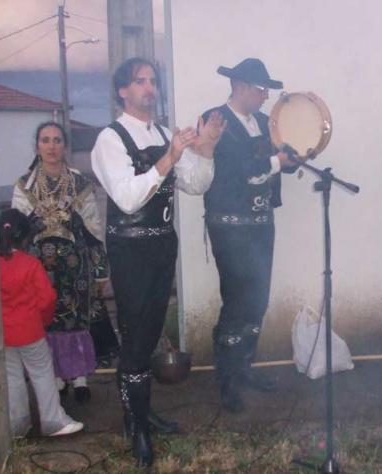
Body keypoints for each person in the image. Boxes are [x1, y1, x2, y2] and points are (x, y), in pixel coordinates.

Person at [91, 57, 226, 467]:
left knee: (148, 336)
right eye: (140, 81)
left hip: (162, 245)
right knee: (135, 339)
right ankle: (138, 429)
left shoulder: (165, 133)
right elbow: (128, 198)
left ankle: (140, 414)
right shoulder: (110, 139)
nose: (150, 87)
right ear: (122, 91)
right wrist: (169, 157)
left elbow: (196, 184)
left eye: (153, 81)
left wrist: (206, 148)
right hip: (130, 251)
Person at [202, 58, 300, 414]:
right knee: (237, 302)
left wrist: (291, 158)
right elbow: (242, 170)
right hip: (229, 226)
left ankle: (244, 367)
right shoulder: (215, 121)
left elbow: (273, 166)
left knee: (258, 300)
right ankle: (227, 379)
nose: (265, 96)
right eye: (261, 89)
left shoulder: (263, 122)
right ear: (241, 86)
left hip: (260, 222)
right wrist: (277, 162)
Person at [12, 121, 119, 404]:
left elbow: (94, 229)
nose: (51, 146)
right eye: (45, 140)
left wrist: (100, 270)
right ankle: (56, 379)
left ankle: (80, 377)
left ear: (65, 146)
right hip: (38, 268)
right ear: (37, 146)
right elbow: (16, 233)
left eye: (57, 140)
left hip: (76, 266)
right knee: (46, 321)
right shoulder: (24, 185)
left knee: (76, 319)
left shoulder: (80, 183)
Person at [0, 208, 84, 437]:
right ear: (25, 237)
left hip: (2, 335)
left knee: (12, 378)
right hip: (30, 331)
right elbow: (47, 298)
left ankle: (17, 425)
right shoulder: (30, 263)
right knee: (42, 374)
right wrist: (43, 320)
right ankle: (53, 421)